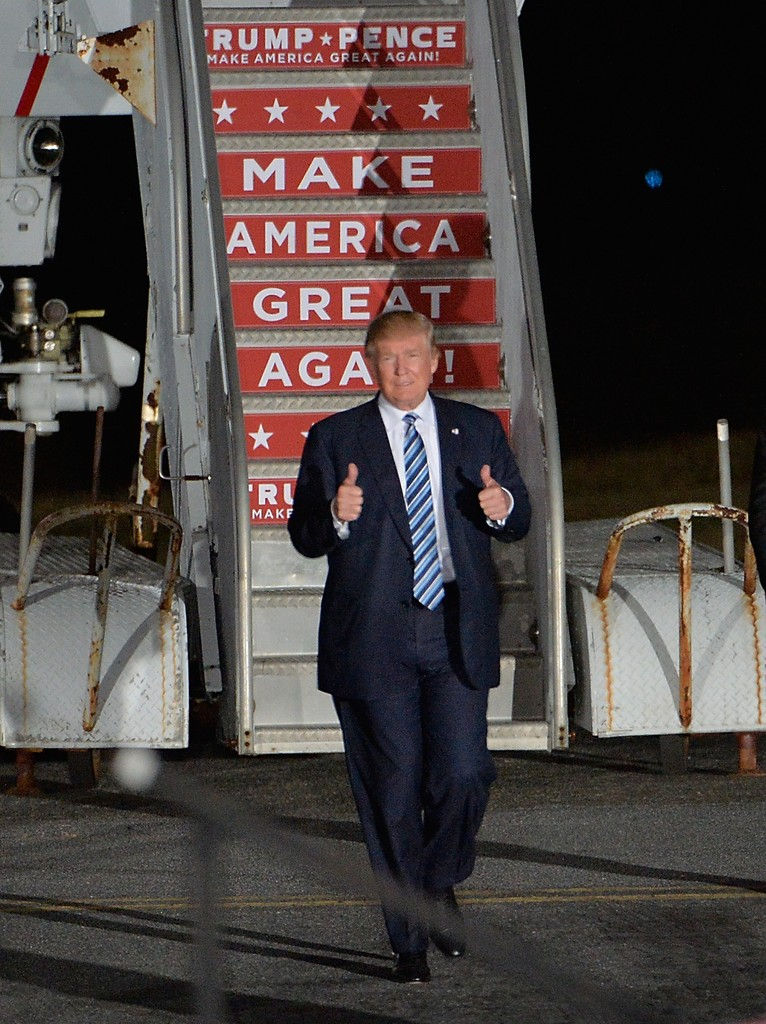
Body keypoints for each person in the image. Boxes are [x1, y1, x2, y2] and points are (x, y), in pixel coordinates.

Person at [288, 310, 531, 983]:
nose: (402, 369)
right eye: (388, 358)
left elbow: (521, 514)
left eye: (413, 356)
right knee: (392, 791)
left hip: (456, 628)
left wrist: (502, 506)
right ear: (371, 363)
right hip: (372, 638)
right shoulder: (336, 437)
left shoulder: (475, 429)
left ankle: (437, 878)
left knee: (463, 773)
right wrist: (334, 517)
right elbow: (304, 533)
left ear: (433, 361)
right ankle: (410, 941)